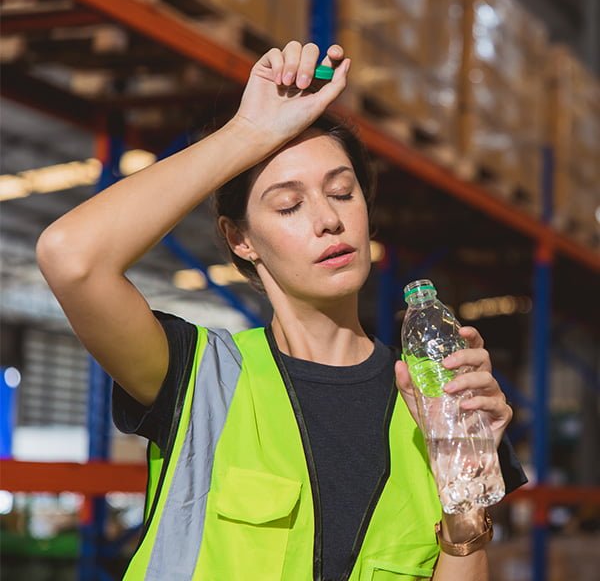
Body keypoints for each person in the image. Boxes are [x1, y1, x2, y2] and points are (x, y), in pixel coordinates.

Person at [37, 41, 526, 580]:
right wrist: (249, 132)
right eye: (289, 204)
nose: (328, 221)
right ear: (239, 238)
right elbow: (72, 258)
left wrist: (466, 497)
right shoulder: (197, 377)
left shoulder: (437, 406)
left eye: (342, 193)